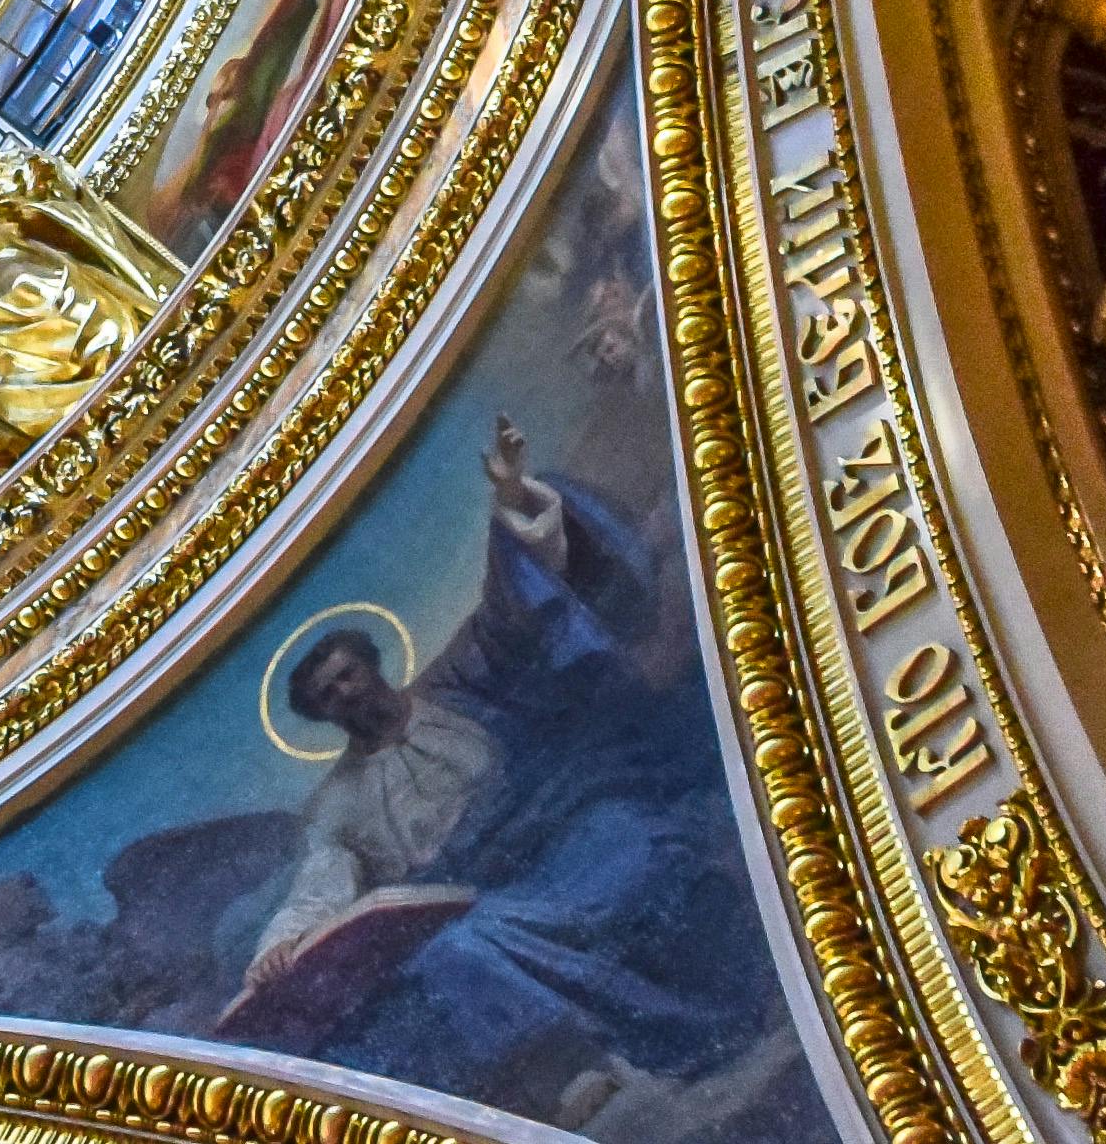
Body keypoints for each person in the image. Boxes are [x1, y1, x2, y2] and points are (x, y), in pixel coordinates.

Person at [215, 420, 789, 1124]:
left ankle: (740, 990)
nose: (345, 694)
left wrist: (512, 497)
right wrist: (278, 949)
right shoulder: (339, 801)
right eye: (327, 695)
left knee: (636, 836)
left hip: (560, 831)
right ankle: (590, 1067)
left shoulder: (454, 684)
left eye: (347, 674)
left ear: (372, 665)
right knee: (456, 952)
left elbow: (509, 608)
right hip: (484, 894)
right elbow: (318, 885)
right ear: (319, 714)